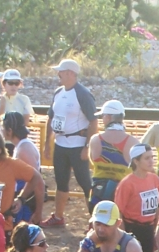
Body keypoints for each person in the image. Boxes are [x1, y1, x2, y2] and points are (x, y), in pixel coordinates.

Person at [42, 59, 96, 227]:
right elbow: (51, 117)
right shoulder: (58, 92)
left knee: (85, 183)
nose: (58, 74)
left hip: (77, 144)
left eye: (61, 72)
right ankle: (58, 216)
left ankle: (95, 220)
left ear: (70, 73)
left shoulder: (83, 94)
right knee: (61, 181)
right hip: (61, 143)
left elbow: (93, 121)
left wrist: (87, 146)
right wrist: (47, 143)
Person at [115, 144, 159, 252]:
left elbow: (157, 207)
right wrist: (123, 237)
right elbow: (118, 212)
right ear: (136, 161)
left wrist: (156, 230)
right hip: (132, 228)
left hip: (149, 229)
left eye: (152, 157)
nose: (151, 161)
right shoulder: (127, 183)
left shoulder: (154, 179)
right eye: (147, 158)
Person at [88, 99, 138, 209]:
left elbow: (92, 160)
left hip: (98, 194)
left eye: (103, 116)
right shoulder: (133, 142)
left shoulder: (95, 140)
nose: (102, 119)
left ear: (108, 117)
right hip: (123, 194)